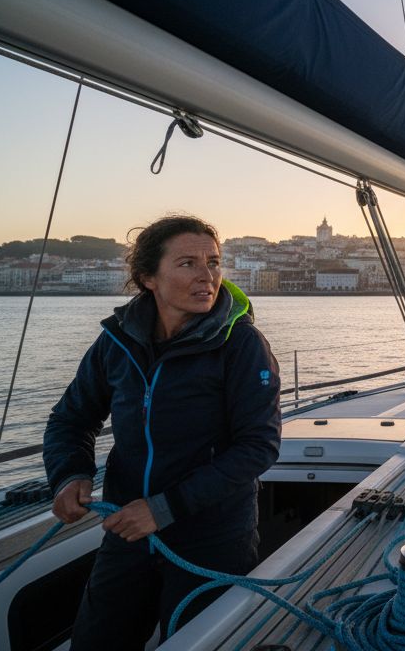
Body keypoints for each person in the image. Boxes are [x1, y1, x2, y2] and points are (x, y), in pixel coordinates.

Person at [44, 215, 282, 648]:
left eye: (214, 262)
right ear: (148, 277)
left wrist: (163, 508)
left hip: (212, 537)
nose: (207, 276)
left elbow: (258, 446)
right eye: (188, 263)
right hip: (127, 532)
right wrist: (69, 473)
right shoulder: (116, 342)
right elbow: (71, 418)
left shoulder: (241, 344)